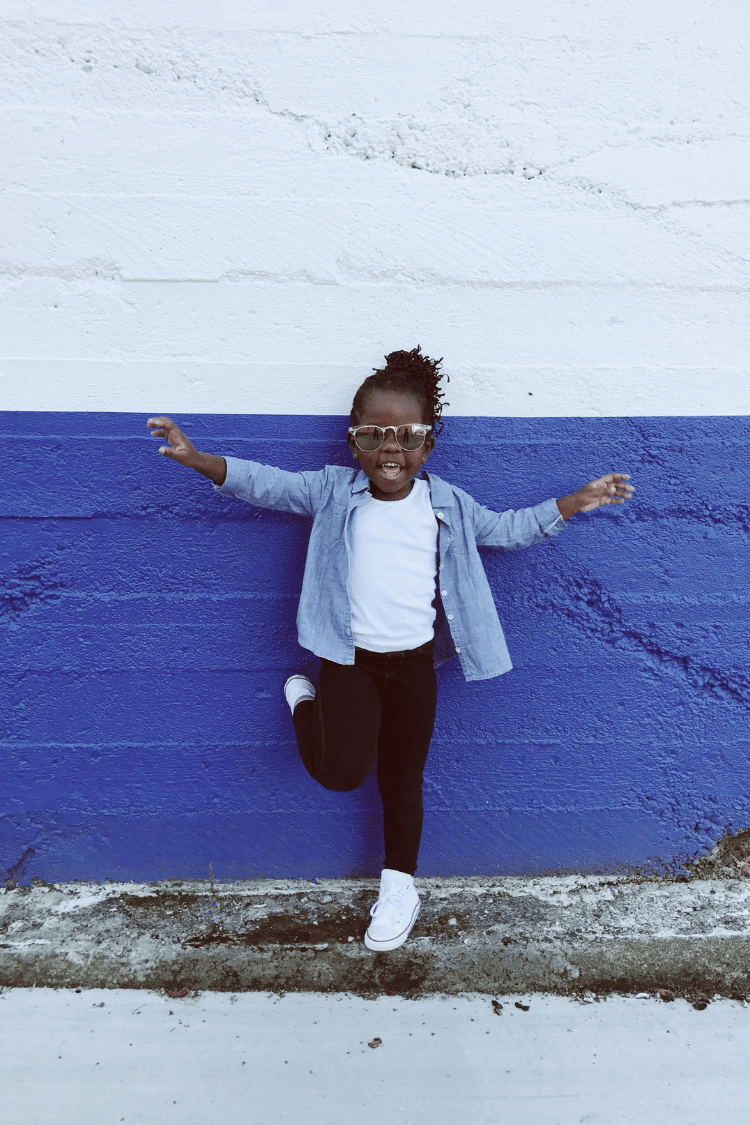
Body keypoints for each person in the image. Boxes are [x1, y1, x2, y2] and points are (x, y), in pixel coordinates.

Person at [147, 346, 634, 953]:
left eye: (407, 436)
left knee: (403, 780)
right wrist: (199, 460)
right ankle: (304, 700)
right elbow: (266, 485)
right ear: (354, 442)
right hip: (348, 663)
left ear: (428, 445)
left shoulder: (448, 503)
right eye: (375, 435)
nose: (390, 449)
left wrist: (575, 501)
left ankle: (400, 887)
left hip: (414, 667)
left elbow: (507, 529)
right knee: (340, 773)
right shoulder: (331, 492)